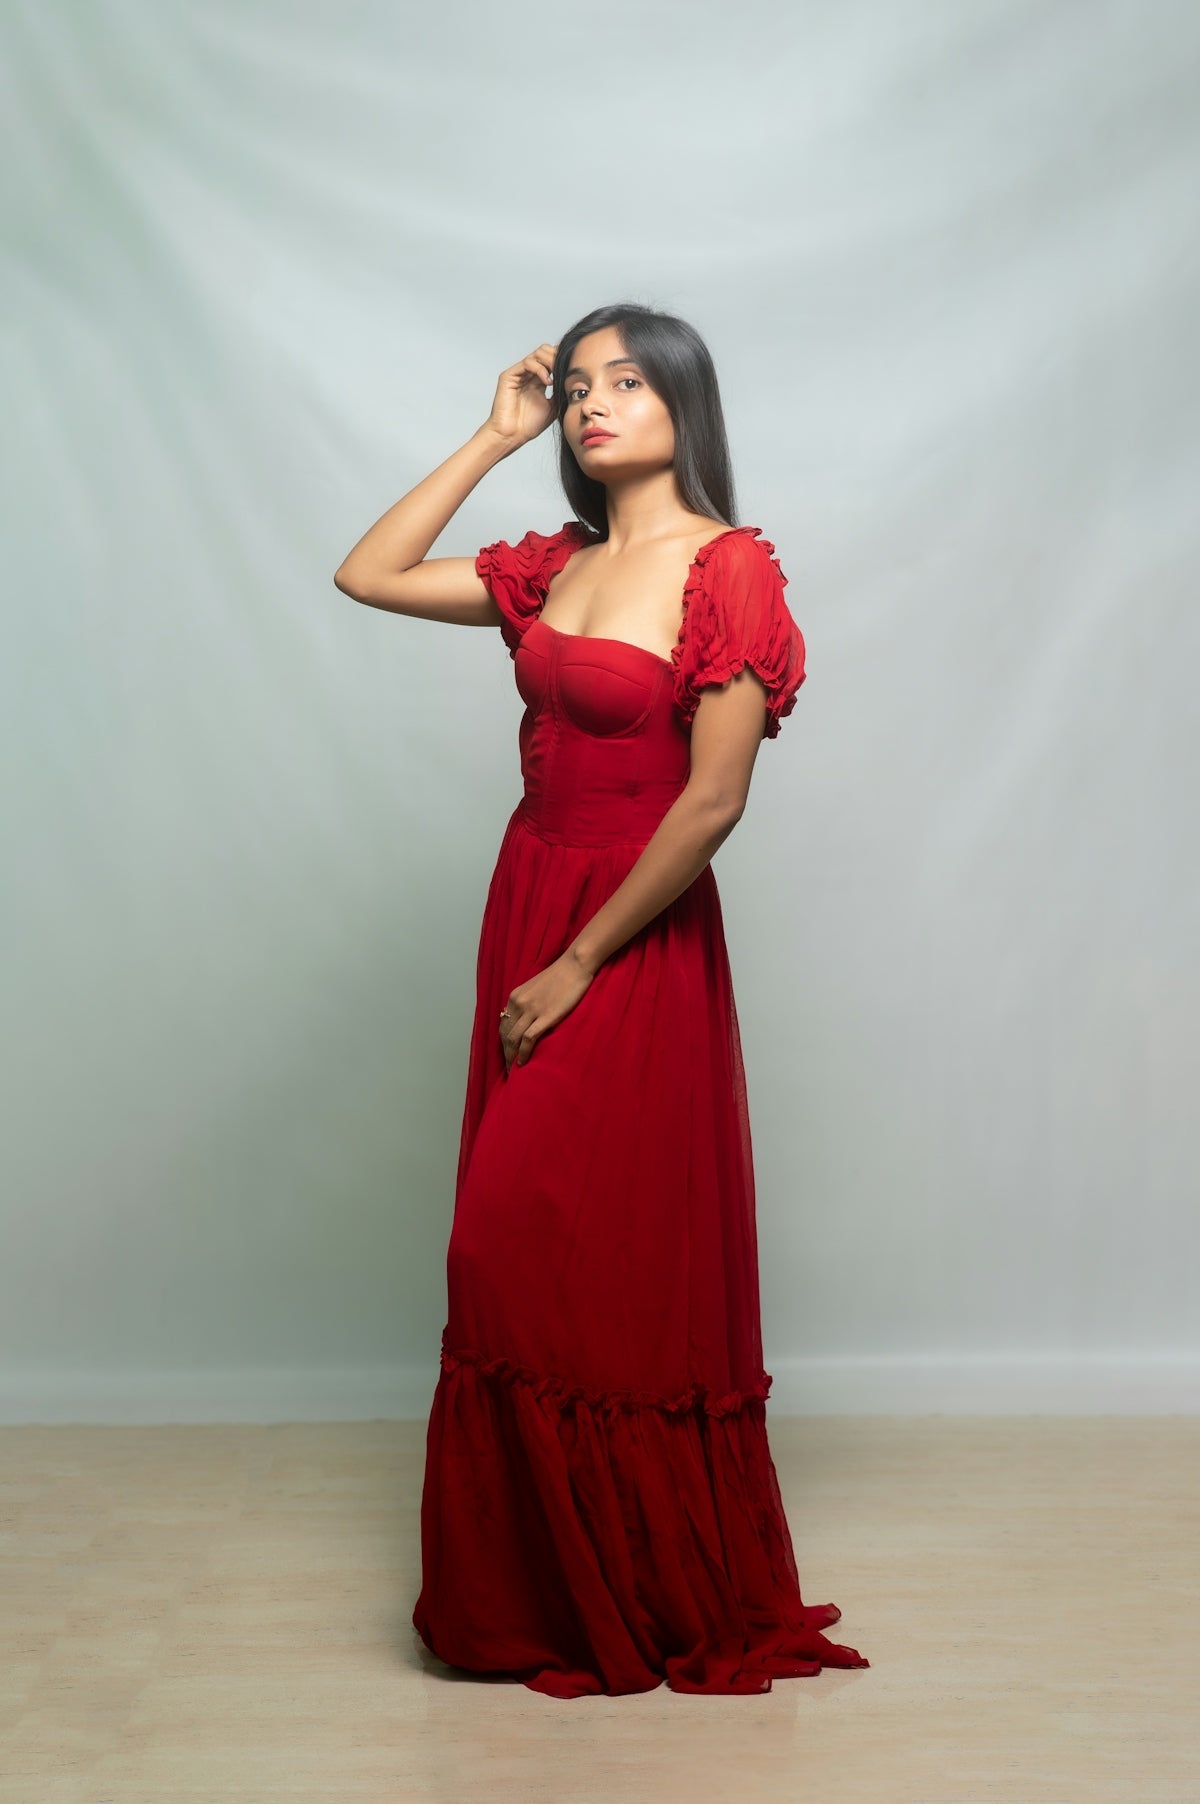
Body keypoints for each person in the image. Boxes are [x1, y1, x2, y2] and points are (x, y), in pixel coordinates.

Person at [334, 302, 869, 1698]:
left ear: (685, 404)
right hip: (530, 896)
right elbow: (367, 573)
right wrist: (490, 434)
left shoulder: (731, 570)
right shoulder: (553, 563)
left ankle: (638, 1587)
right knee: (521, 1256)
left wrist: (579, 963)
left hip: (629, 934)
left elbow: (714, 801)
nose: (591, 404)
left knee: (557, 1249)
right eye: (575, 388)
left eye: (625, 382)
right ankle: (543, 1600)